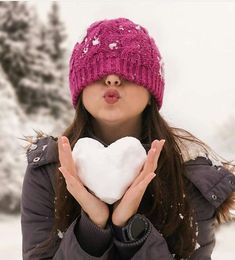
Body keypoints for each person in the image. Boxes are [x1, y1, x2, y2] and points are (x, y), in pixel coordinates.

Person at [21, 17, 235, 260]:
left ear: (152, 89)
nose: (112, 79)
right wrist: (92, 228)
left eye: (129, 69)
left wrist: (130, 229)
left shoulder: (190, 174)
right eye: (97, 69)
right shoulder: (47, 170)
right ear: (79, 87)